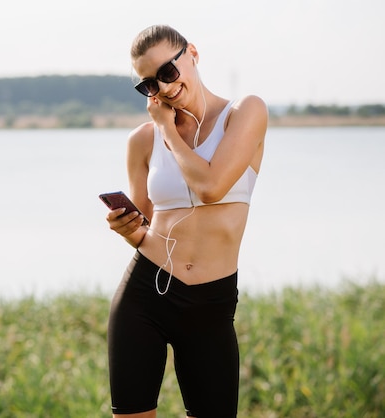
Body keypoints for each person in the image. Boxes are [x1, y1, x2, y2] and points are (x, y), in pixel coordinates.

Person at [104, 24, 267, 418]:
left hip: (210, 303)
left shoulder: (244, 112)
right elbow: (142, 223)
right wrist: (127, 230)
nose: (162, 87)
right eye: (148, 84)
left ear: (192, 53)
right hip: (146, 293)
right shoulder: (141, 141)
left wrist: (167, 129)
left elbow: (212, 186)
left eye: (168, 72)